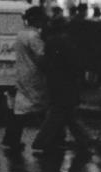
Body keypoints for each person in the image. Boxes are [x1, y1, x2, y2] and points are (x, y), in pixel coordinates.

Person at [31, 15, 91, 155]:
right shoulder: (66, 42)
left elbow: (46, 63)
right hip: (66, 82)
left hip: (55, 82)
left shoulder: (51, 42)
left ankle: (84, 140)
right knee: (59, 114)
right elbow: (74, 63)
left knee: (67, 114)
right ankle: (41, 141)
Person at [2, 6, 48, 151]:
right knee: (42, 107)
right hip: (33, 75)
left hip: (22, 74)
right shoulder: (33, 36)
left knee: (20, 110)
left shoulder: (21, 34)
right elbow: (41, 56)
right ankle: (47, 138)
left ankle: (11, 138)